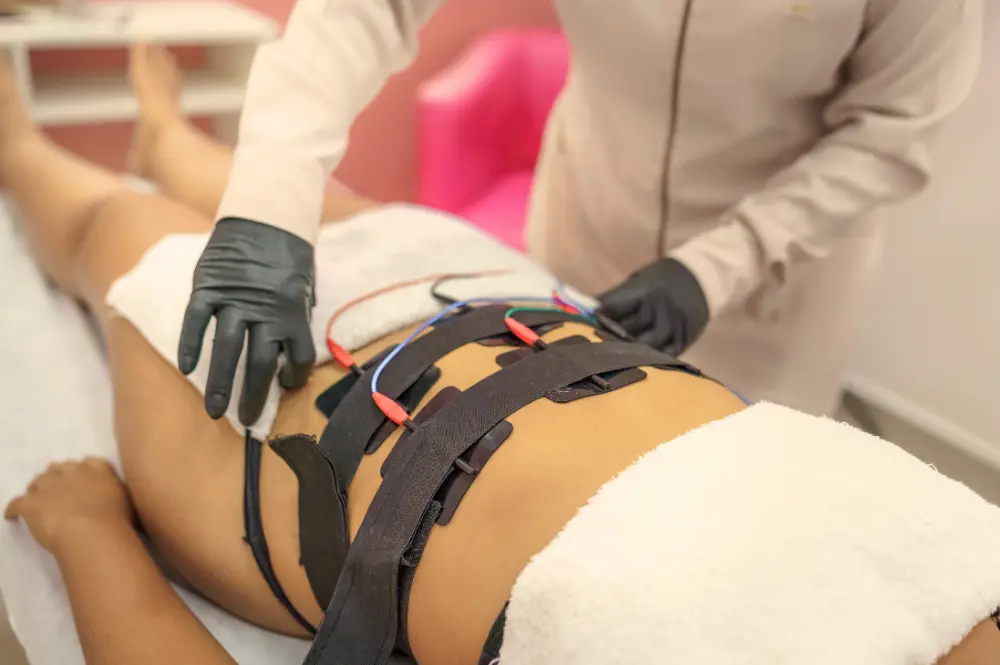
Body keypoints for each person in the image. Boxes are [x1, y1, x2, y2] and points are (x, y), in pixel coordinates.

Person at [3, 45, 1000, 665]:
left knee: (119, 231)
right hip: (534, 317)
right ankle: (171, 140)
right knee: (323, 207)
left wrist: (90, 531)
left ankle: (24, 148)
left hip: (305, 456)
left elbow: (890, 132)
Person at [184, 0, 983, 429]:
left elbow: (892, 130)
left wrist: (719, 264)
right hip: (586, 219)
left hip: (775, 277)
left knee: (737, 503)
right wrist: (269, 197)